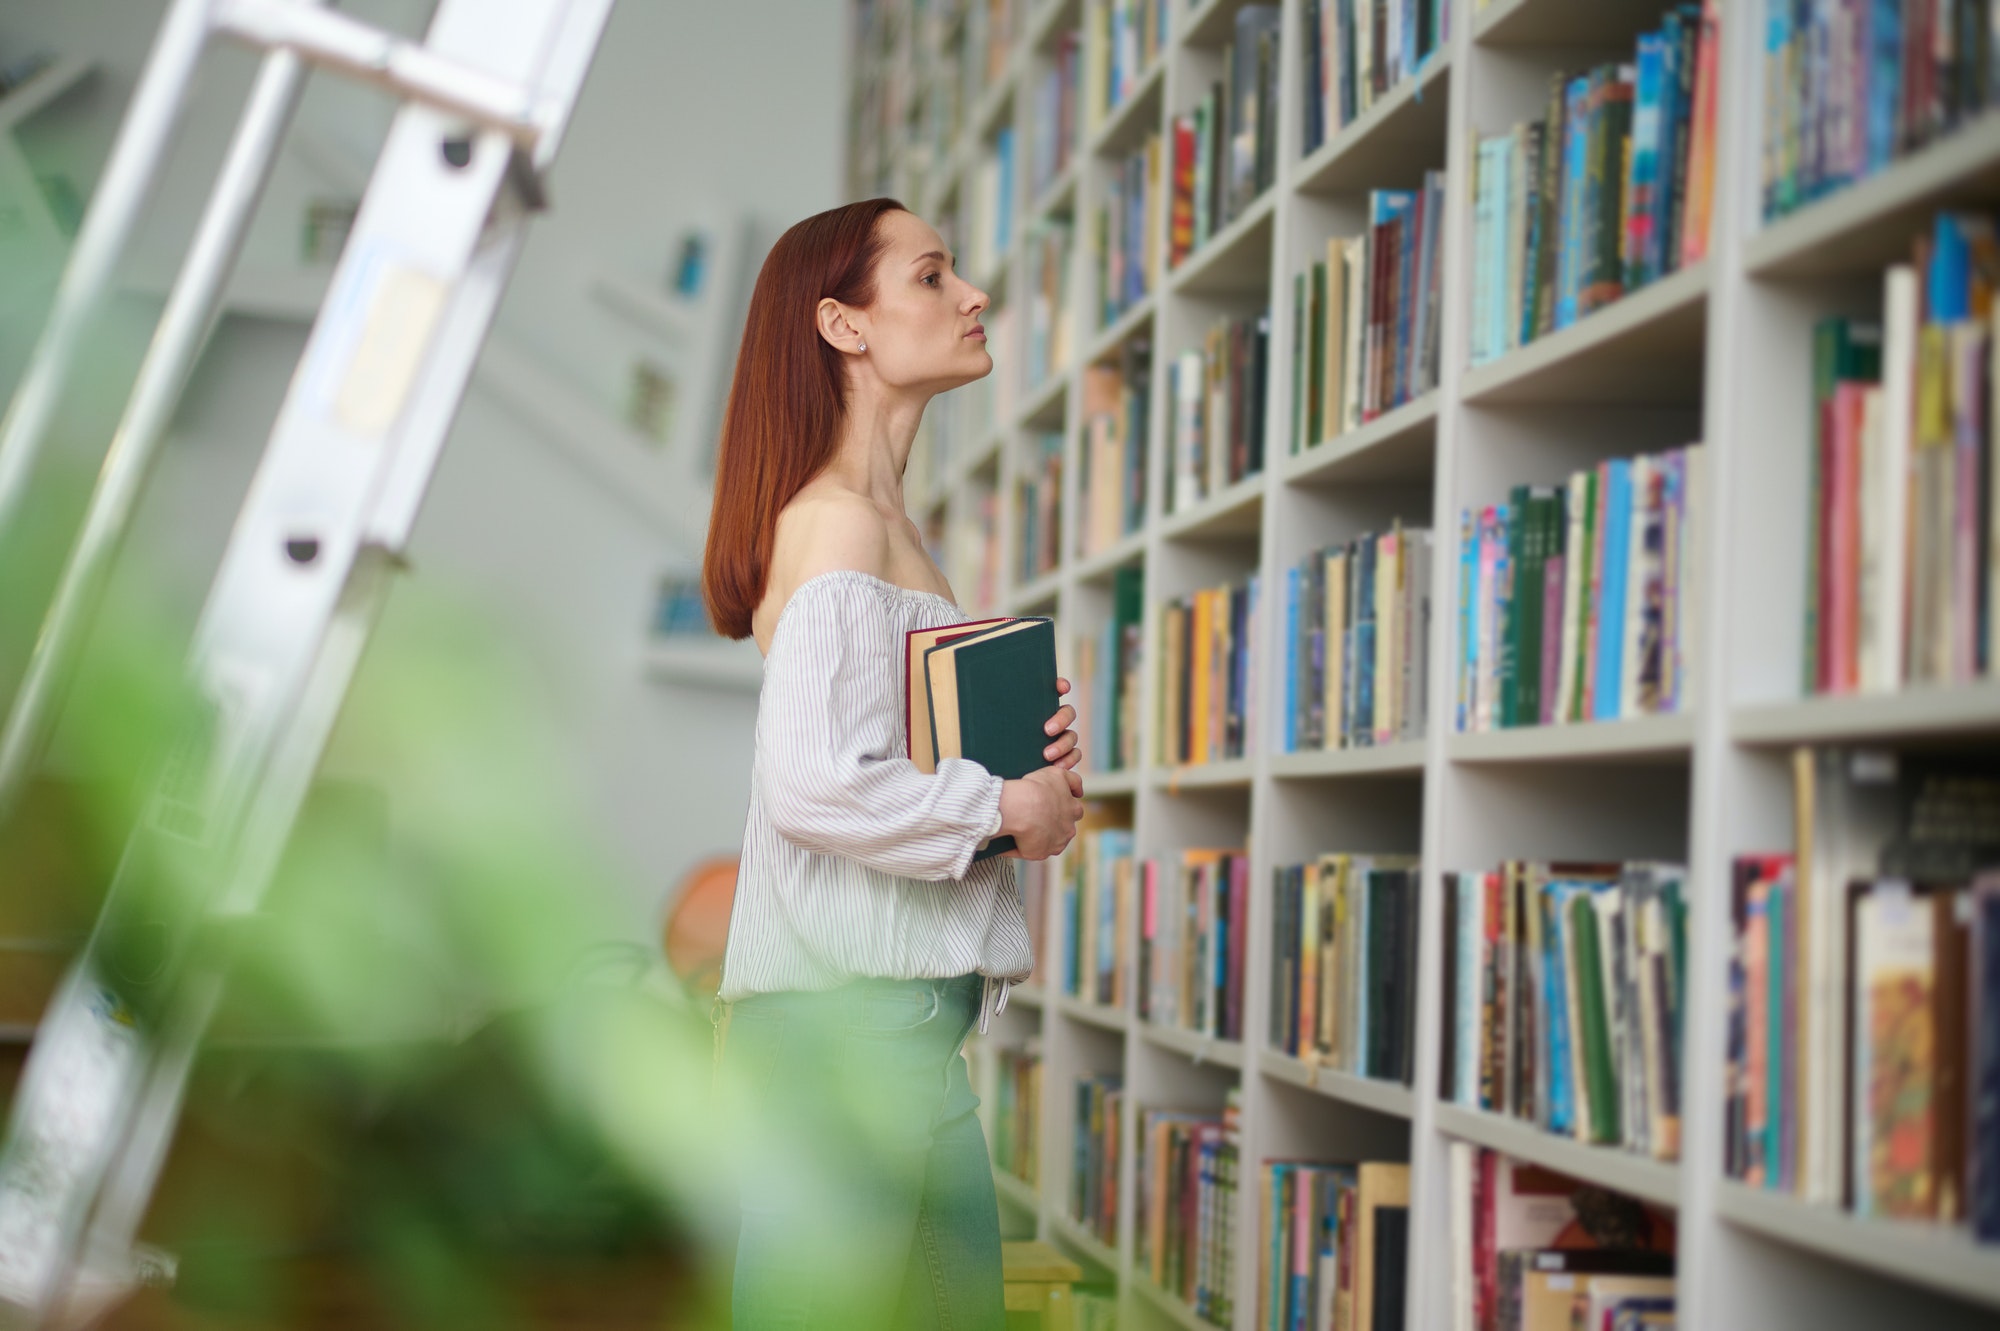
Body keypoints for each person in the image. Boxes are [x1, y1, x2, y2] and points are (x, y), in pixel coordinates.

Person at [700, 197, 1086, 1331]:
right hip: (845, 1039)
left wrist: (1035, 797)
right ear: (842, 324)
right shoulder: (836, 526)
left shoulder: (891, 530)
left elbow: (892, 770)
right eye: (931, 276)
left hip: (905, 1031)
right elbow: (812, 782)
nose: (973, 297)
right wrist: (996, 802)